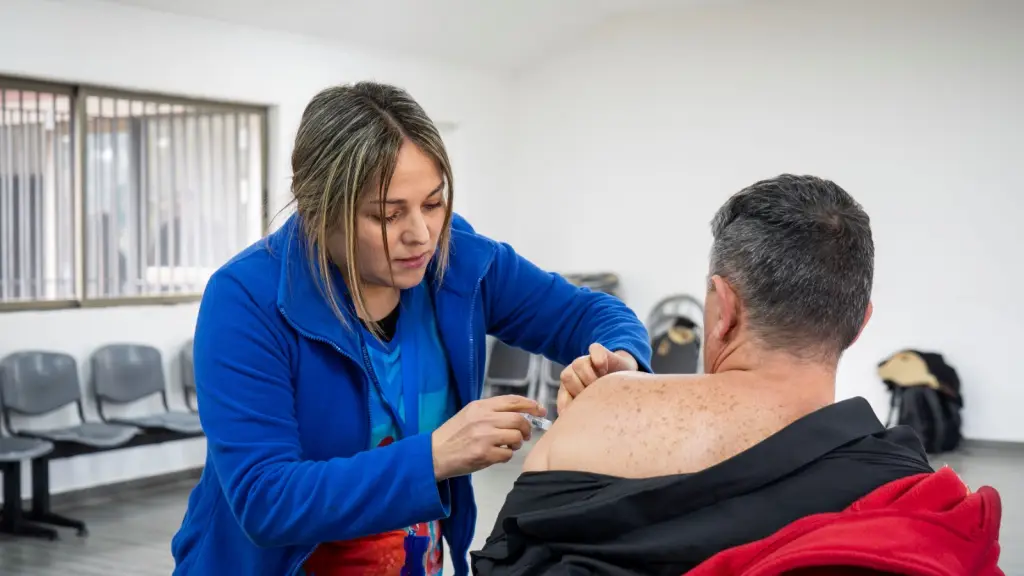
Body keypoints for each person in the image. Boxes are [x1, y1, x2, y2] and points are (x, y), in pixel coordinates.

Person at [170, 81, 652, 576]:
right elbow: (265, 498)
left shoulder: (458, 258)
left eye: (433, 202)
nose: (420, 234)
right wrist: (436, 456)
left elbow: (591, 314)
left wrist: (619, 363)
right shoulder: (246, 299)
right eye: (386, 214)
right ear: (317, 210)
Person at [472, 174, 1003, 575]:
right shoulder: (909, 491)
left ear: (724, 307)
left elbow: (506, 557)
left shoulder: (589, 416)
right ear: (859, 324)